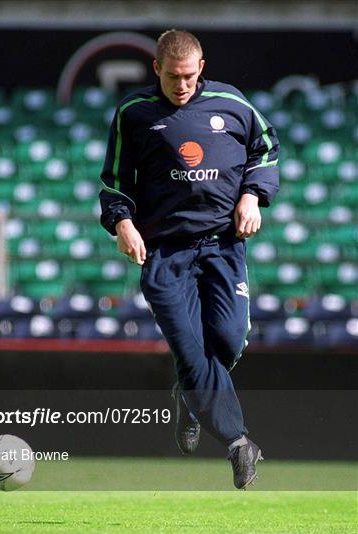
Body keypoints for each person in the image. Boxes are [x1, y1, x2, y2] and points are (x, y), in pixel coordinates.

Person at [99, 29, 279, 489]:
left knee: (227, 339)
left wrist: (253, 197)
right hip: (165, 252)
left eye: (189, 76)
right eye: (172, 76)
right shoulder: (133, 114)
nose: (181, 85)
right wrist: (123, 224)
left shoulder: (233, 104)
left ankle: (191, 394)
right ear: (155, 69)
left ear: (202, 68)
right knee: (191, 348)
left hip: (222, 244)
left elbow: (267, 149)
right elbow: (115, 181)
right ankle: (239, 442)